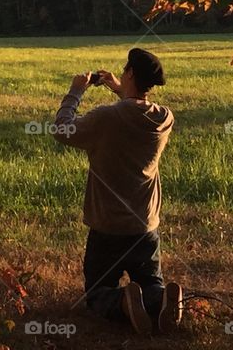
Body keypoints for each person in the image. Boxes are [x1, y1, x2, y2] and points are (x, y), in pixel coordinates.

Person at [52, 47, 181, 335]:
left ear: (131, 73)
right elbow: (135, 111)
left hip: (107, 226)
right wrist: (122, 90)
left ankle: (123, 303)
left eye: (125, 71)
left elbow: (62, 130)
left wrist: (75, 91)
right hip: (145, 226)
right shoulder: (164, 118)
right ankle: (160, 300)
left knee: (97, 293)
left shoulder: (106, 118)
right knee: (151, 281)